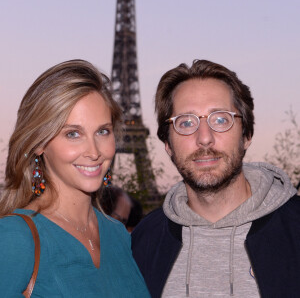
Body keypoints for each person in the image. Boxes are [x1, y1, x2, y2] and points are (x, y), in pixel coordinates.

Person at [131, 60, 300, 297]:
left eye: (220, 119)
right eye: (186, 122)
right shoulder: (143, 243)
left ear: (247, 135)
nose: (204, 138)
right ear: (168, 145)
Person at [0, 60, 150, 297]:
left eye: (102, 131)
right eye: (73, 134)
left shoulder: (117, 234)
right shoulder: (14, 238)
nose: (94, 151)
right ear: (39, 143)